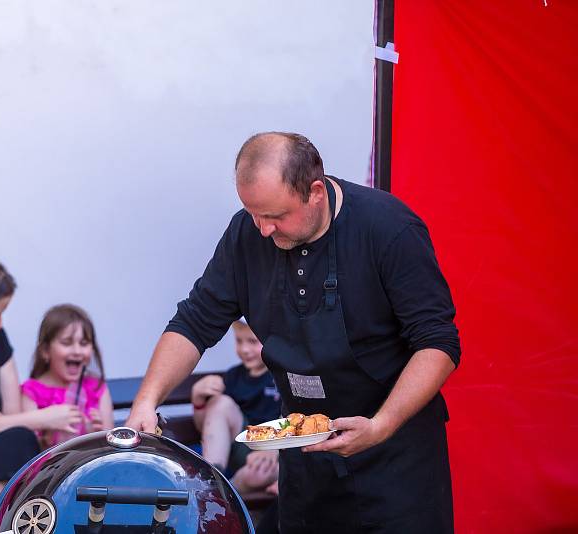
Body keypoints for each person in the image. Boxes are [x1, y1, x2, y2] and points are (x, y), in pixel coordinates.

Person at [127, 132, 461, 533]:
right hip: (305, 460)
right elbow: (194, 322)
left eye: (276, 216)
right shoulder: (246, 235)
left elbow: (437, 343)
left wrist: (381, 425)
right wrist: (147, 400)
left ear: (315, 192)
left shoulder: (389, 229)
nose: (264, 229)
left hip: (393, 461)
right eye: (253, 213)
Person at [0, 253, 85, 509]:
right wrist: (44, 418)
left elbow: (10, 419)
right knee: (18, 441)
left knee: (19, 440)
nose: (0, 324)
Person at [191, 320, 281, 494]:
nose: (244, 349)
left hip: (275, 455)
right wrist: (198, 400)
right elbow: (207, 428)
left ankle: (221, 495)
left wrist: (273, 450)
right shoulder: (234, 377)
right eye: (239, 341)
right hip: (242, 448)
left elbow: (295, 418)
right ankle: (211, 476)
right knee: (220, 403)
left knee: (258, 475)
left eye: (252, 342)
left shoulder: (283, 375)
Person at [21, 304, 114, 447]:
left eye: (84, 343)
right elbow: (27, 452)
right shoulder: (31, 393)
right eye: (66, 343)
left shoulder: (98, 389)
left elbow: (110, 448)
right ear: (45, 351)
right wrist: (49, 438)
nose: (77, 351)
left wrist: (96, 434)